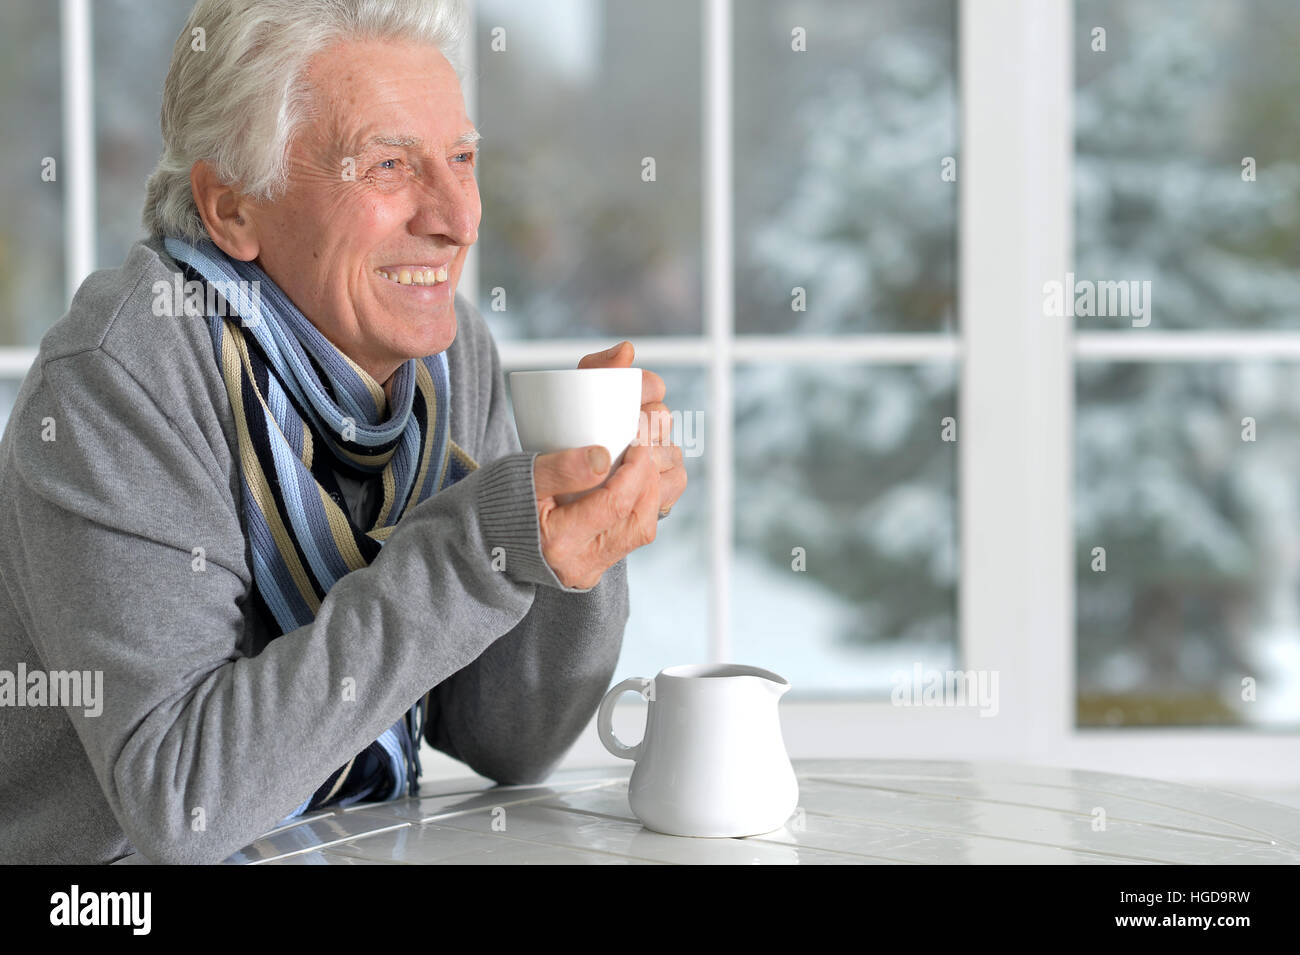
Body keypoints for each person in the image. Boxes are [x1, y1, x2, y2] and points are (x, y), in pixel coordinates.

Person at [0, 0, 686, 865]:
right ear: (232, 207)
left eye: (463, 159)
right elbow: (182, 803)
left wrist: (563, 552)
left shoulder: (446, 350)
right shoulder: (121, 377)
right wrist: (481, 548)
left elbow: (502, 738)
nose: (457, 217)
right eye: (389, 164)